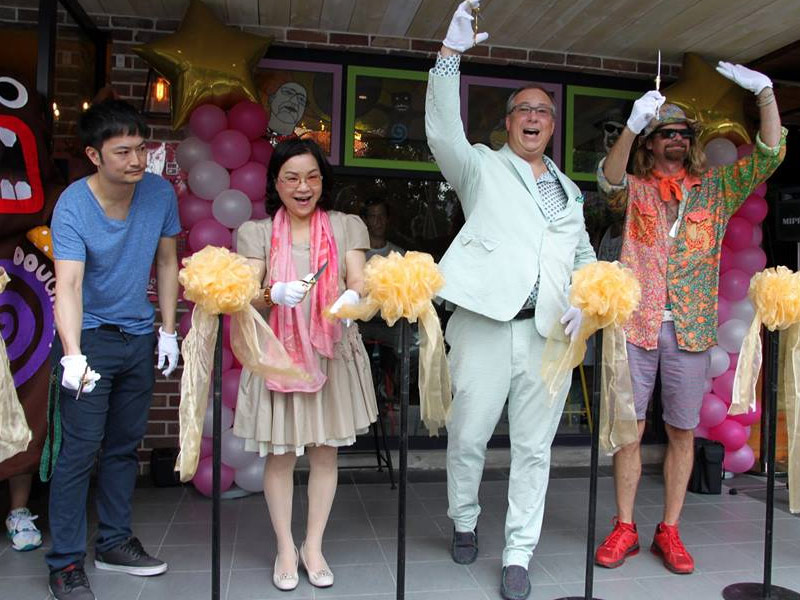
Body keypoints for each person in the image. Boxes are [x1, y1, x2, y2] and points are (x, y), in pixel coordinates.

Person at [426, 3, 596, 599]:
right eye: (522, 110)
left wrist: (590, 301)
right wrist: (450, 59)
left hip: (550, 334)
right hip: (484, 324)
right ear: (507, 124)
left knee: (533, 451)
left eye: (542, 112)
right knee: (469, 435)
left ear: (552, 127)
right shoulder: (480, 168)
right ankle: (466, 520)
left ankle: (519, 550)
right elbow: (443, 132)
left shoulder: (570, 191)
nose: (532, 118)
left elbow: (583, 258)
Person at [594, 63, 785, 575]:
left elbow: (768, 156)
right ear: (651, 144)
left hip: (692, 332)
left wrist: (764, 94)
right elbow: (606, 179)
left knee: (681, 431)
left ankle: (670, 530)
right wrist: (634, 122)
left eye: (682, 133)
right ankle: (626, 525)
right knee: (629, 432)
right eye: (665, 133)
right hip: (637, 326)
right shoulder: (635, 190)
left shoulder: (717, 189)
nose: (675, 139)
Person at [48, 99, 181, 600]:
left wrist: (167, 329)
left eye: (141, 148)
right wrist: (73, 352)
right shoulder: (73, 206)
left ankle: (114, 543)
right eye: (123, 151)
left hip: (138, 336)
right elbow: (71, 284)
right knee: (79, 453)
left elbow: (167, 263)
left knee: (125, 448)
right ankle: (63, 563)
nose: (136, 160)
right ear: (93, 155)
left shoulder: (159, 193)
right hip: (92, 341)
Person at [233, 138, 378, 592]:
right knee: (280, 456)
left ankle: (312, 546)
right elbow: (245, 294)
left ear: (323, 182)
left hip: (330, 352)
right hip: (278, 355)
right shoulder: (255, 233)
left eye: (312, 177)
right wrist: (270, 294)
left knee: (324, 453)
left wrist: (353, 297)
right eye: (292, 178)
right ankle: (283, 546)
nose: (303, 187)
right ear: (276, 183)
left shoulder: (344, 225)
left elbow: (359, 281)